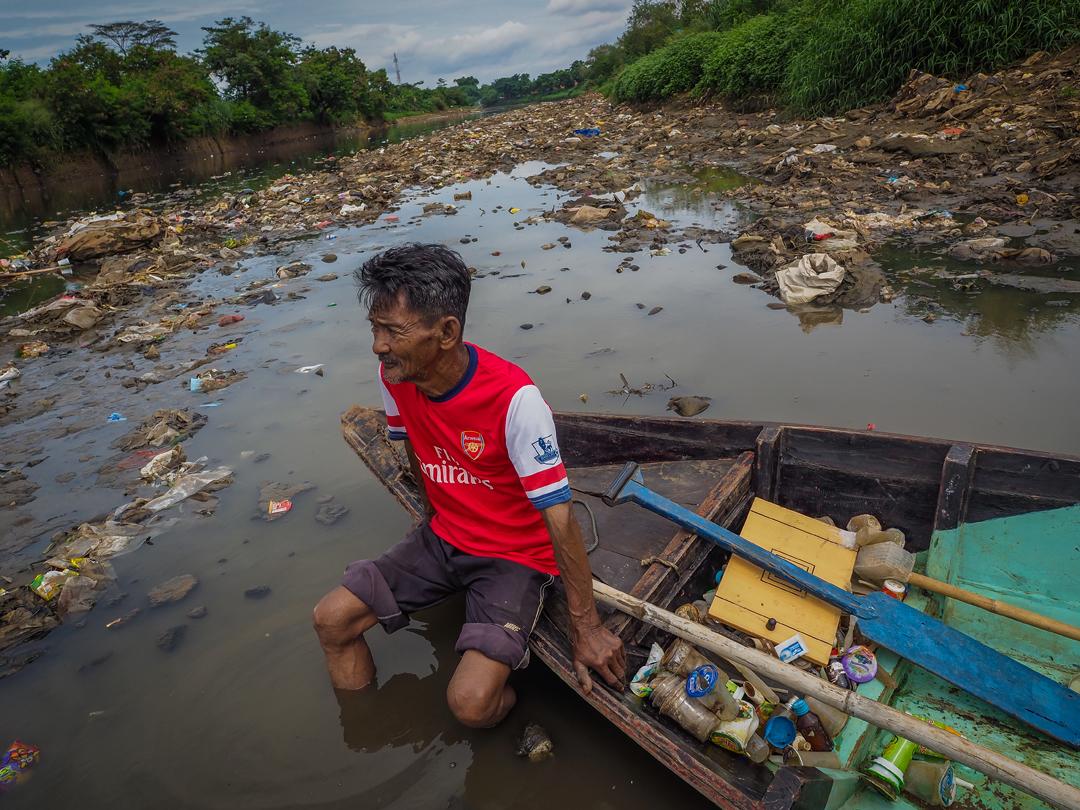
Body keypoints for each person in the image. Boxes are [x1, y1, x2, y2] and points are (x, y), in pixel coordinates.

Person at [313, 243, 625, 729]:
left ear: (446, 332)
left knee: (472, 705)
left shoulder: (514, 399)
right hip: (445, 537)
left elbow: (559, 515)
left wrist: (588, 626)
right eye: (375, 329)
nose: (378, 345)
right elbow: (414, 447)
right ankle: (361, 729)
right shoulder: (395, 374)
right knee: (332, 619)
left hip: (513, 559)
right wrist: (433, 518)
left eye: (392, 331)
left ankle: (523, 711)